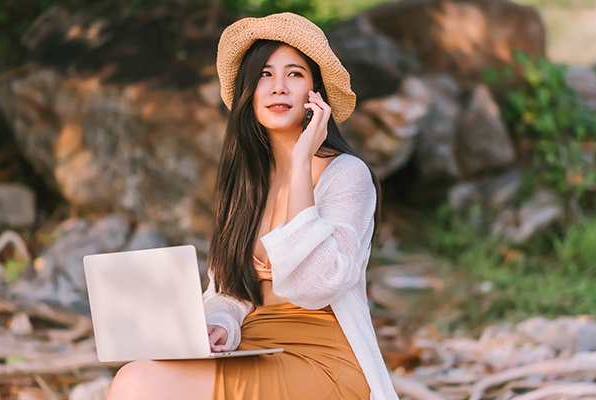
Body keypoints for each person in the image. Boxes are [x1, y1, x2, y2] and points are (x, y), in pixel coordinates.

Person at [106, 12, 398, 400]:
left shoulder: (347, 176)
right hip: (253, 349)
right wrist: (220, 326)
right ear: (249, 91)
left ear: (316, 93)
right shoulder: (246, 183)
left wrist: (299, 164)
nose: (278, 87)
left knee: (138, 384)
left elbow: (314, 286)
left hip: (325, 360)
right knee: (138, 373)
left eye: (294, 74)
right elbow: (228, 290)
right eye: (264, 74)